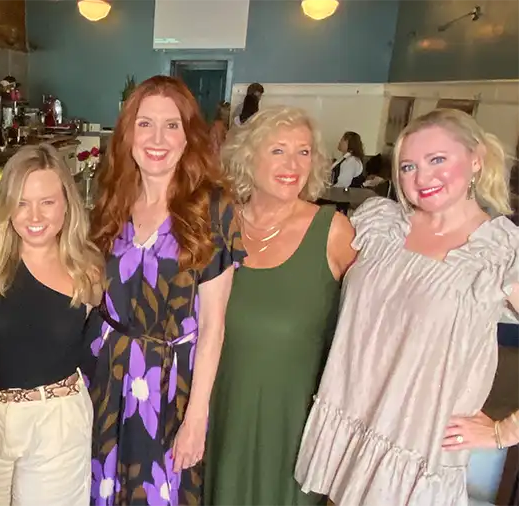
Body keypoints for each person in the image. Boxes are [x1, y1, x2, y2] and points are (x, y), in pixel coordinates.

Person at [295, 108, 519, 505]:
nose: (422, 178)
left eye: (438, 160)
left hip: (415, 452)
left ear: (476, 159)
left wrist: (506, 432)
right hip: (350, 433)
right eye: (409, 166)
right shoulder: (379, 223)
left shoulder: (499, 250)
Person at [86, 75, 245, 505]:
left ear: (188, 135)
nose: (157, 139)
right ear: (128, 134)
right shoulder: (113, 199)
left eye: (171, 125)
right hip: (107, 377)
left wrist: (197, 416)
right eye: (145, 124)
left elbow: (213, 326)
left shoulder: (214, 207)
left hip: (169, 388)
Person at [202, 106, 356, 506]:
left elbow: (373, 328)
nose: (293, 165)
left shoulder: (333, 232)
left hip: (290, 422)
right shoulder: (218, 224)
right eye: (278, 151)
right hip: (217, 408)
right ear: (248, 158)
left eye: (304, 152)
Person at [0, 143, 104, 505]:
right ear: (6, 206)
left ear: (67, 202)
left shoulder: (87, 268)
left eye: (47, 201)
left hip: (55, 420)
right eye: (22, 203)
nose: (34, 215)